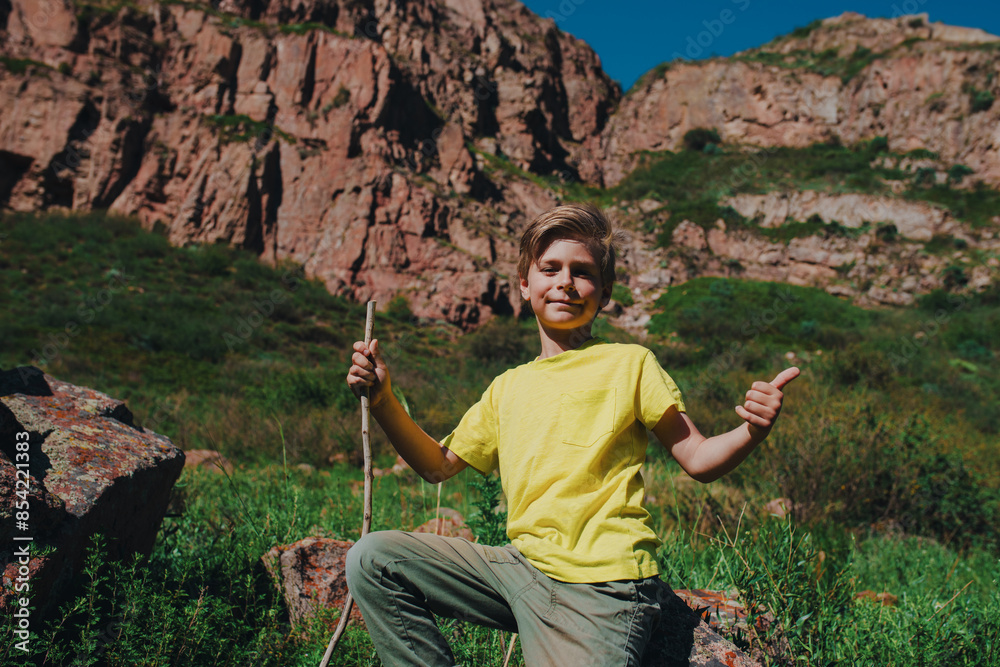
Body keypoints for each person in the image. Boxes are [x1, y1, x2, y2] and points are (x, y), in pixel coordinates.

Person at [344, 202, 798, 666]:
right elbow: (436, 465)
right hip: (519, 570)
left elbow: (699, 458)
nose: (565, 282)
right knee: (374, 559)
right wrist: (383, 401)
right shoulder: (507, 386)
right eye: (550, 268)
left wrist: (751, 430)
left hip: (600, 587)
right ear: (525, 284)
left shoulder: (630, 363)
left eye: (582, 272)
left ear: (604, 293)